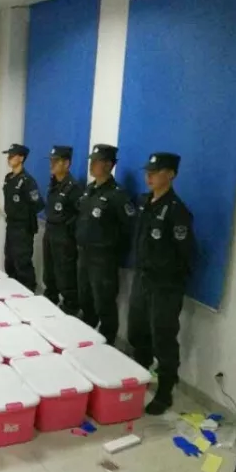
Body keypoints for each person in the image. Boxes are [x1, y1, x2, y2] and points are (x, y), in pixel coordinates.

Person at [127, 153, 193, 415]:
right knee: (136, 332)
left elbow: (185, 253)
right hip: (142, 279)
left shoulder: (177, 211)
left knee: (163, 338)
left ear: (171, 174)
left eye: (156, 172)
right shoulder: (145, 202)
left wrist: (167, 277)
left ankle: (165, 392)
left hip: (165, 286)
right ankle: (141, 376)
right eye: (148, 171)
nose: (149, 176)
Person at [76, 144, 135, 344]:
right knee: (85, 299)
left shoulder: (117, 195)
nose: (92, 165)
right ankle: (87, 339)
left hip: (103, 259)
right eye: (91, 161)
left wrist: (113, 250)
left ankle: (108, 342)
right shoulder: (89, 190)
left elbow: (129, 227)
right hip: (84, 254)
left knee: (104, 303)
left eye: (97, 161)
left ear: (109, 165)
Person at [43, 146, 84, 315]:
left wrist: (69, 234)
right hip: (50, 232)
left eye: (56, 161)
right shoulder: (53, 184)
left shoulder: (74, 188)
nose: (51, 164)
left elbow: (80, 215)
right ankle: (48, 307)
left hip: (64, 237)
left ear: (66, 163)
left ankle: (70, 309)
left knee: (65, 276)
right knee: (49, 274)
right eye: (51, 160)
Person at [1, 144, 45, 291]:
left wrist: (23, 214)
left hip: (23, 228)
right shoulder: (9, 178)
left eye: (12, 156)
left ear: (21, 158)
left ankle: (28, 292)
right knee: (10, 260)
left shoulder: (27, 181)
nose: (9, 158)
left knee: (22, 262)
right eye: (8, 156)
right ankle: (13, 292)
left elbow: (38, 204)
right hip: (11, 226)